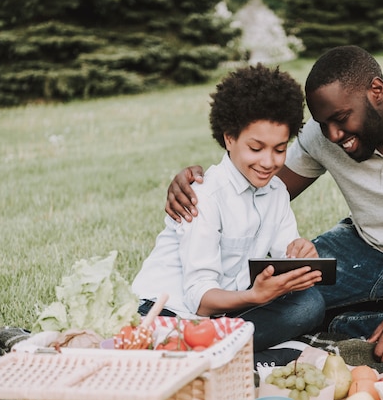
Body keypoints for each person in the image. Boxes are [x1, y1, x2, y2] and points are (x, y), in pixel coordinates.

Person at [165, 46, 383, 364]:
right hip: (357, 253)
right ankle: (193, 340)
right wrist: (203, 183)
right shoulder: (327, 134)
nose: (334, 135)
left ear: (377, 91)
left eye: (340, 119)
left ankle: (347, 324)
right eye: (323, 125)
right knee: (268, 278)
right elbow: (261, 185)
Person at [132, 64, 325, 352]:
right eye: (256, 148)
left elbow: (286, 252)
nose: (269, 162)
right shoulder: (205, 196)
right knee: (287, 325)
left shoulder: (276, 193)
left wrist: (299, 253)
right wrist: (256, 297)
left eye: (280, 149)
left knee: (310, 305)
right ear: (230, 138)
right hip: (169, 312)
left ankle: (216, 350)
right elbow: (200, 297)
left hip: (222, 314)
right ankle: (214, 351)